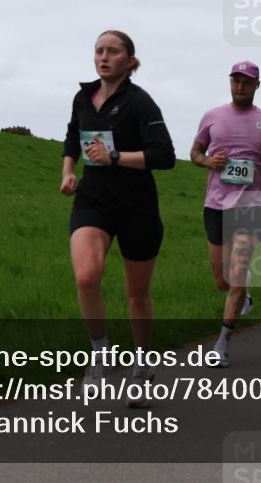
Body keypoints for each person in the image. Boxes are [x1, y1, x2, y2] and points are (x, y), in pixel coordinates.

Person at [61, 29, 176, 406]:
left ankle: (142, 368)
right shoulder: (83, 97)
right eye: (99, 51)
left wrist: (114, 157)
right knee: (86, 276)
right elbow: (72, 136)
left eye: (113, 51)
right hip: (93, 201)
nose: (104, 57)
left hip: (136, 207)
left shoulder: (140, 103)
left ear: (130, 61)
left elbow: (165, 156)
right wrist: (68, 171)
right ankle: (99, 354)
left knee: (137, 295)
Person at [191, 61, 261, 368]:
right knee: (222, 280)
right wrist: (208, 162)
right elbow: (194, 153)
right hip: (216, 204)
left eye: (246, 82)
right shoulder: (212, 116)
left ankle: (221, 345)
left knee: (238, 271)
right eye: (235, 80)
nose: (240, 86)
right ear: (230, 82)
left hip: (250, 205)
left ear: (257, 85)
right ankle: (243, 292)